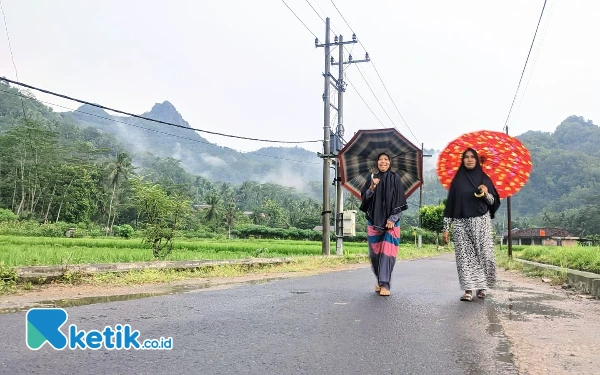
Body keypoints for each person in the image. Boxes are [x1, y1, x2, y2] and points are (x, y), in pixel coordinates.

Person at [442, 147, 501, 302]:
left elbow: (493, 202)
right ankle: (468, 290)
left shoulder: (484, 178)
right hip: (461, 223)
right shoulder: (457, 180)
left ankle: (482, 288)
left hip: (482, 222)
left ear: (476, 160)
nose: (469, 159)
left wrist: (486, 193)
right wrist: (446, 228)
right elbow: (450, 205)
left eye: (472, 157)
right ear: (462, 160)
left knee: (484, 255)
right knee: (465, 258)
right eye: (466, 157)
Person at [360, 152, 408, 296]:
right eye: (380, 159)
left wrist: (392, 219)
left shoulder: (395, 178)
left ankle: (385, 284)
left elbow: (400, 200)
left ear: (390, 162)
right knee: (375, 255)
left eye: (386, 159)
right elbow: (365, 200)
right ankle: (380, 280)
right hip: (373, 221)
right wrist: (372, 188)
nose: (383, 162)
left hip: (391, 223)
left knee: (387, 253)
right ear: (376, 162)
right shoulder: (372, 179)